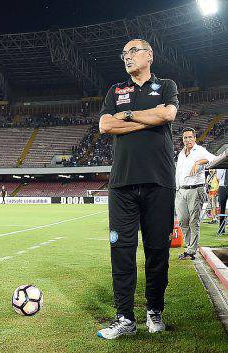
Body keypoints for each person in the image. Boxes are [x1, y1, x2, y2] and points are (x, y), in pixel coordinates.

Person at [97, 39, 179, 339]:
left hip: (159, 180)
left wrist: (128, 116)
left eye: (133, 51)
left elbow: (168, 115)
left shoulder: (167, 85)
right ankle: (124, 318)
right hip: (122, 183)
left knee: (157, 251)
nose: (127, 57)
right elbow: (105, 125)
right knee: (122, 252)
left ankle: (154, 311)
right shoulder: (116, 91)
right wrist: (148, 118)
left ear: (149, 55)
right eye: (124, 54)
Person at [175, 128, 215, 260]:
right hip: (181, 190)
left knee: (194, 221)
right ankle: (189, 247)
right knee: (182, 220)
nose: (188, 140)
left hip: (195, 189)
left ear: (195, 138)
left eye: (190, 137)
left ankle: (191, 251)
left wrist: (198, 162)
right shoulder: (181, 153)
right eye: (185, 138)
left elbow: (213, 159)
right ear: (182, 139)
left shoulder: (200, 151)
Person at [217, 169, 227, 234]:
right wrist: (224, 169)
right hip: (222, 187)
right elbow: (218, 177)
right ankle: (221, 229)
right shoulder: (220, 166)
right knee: (222, 209)